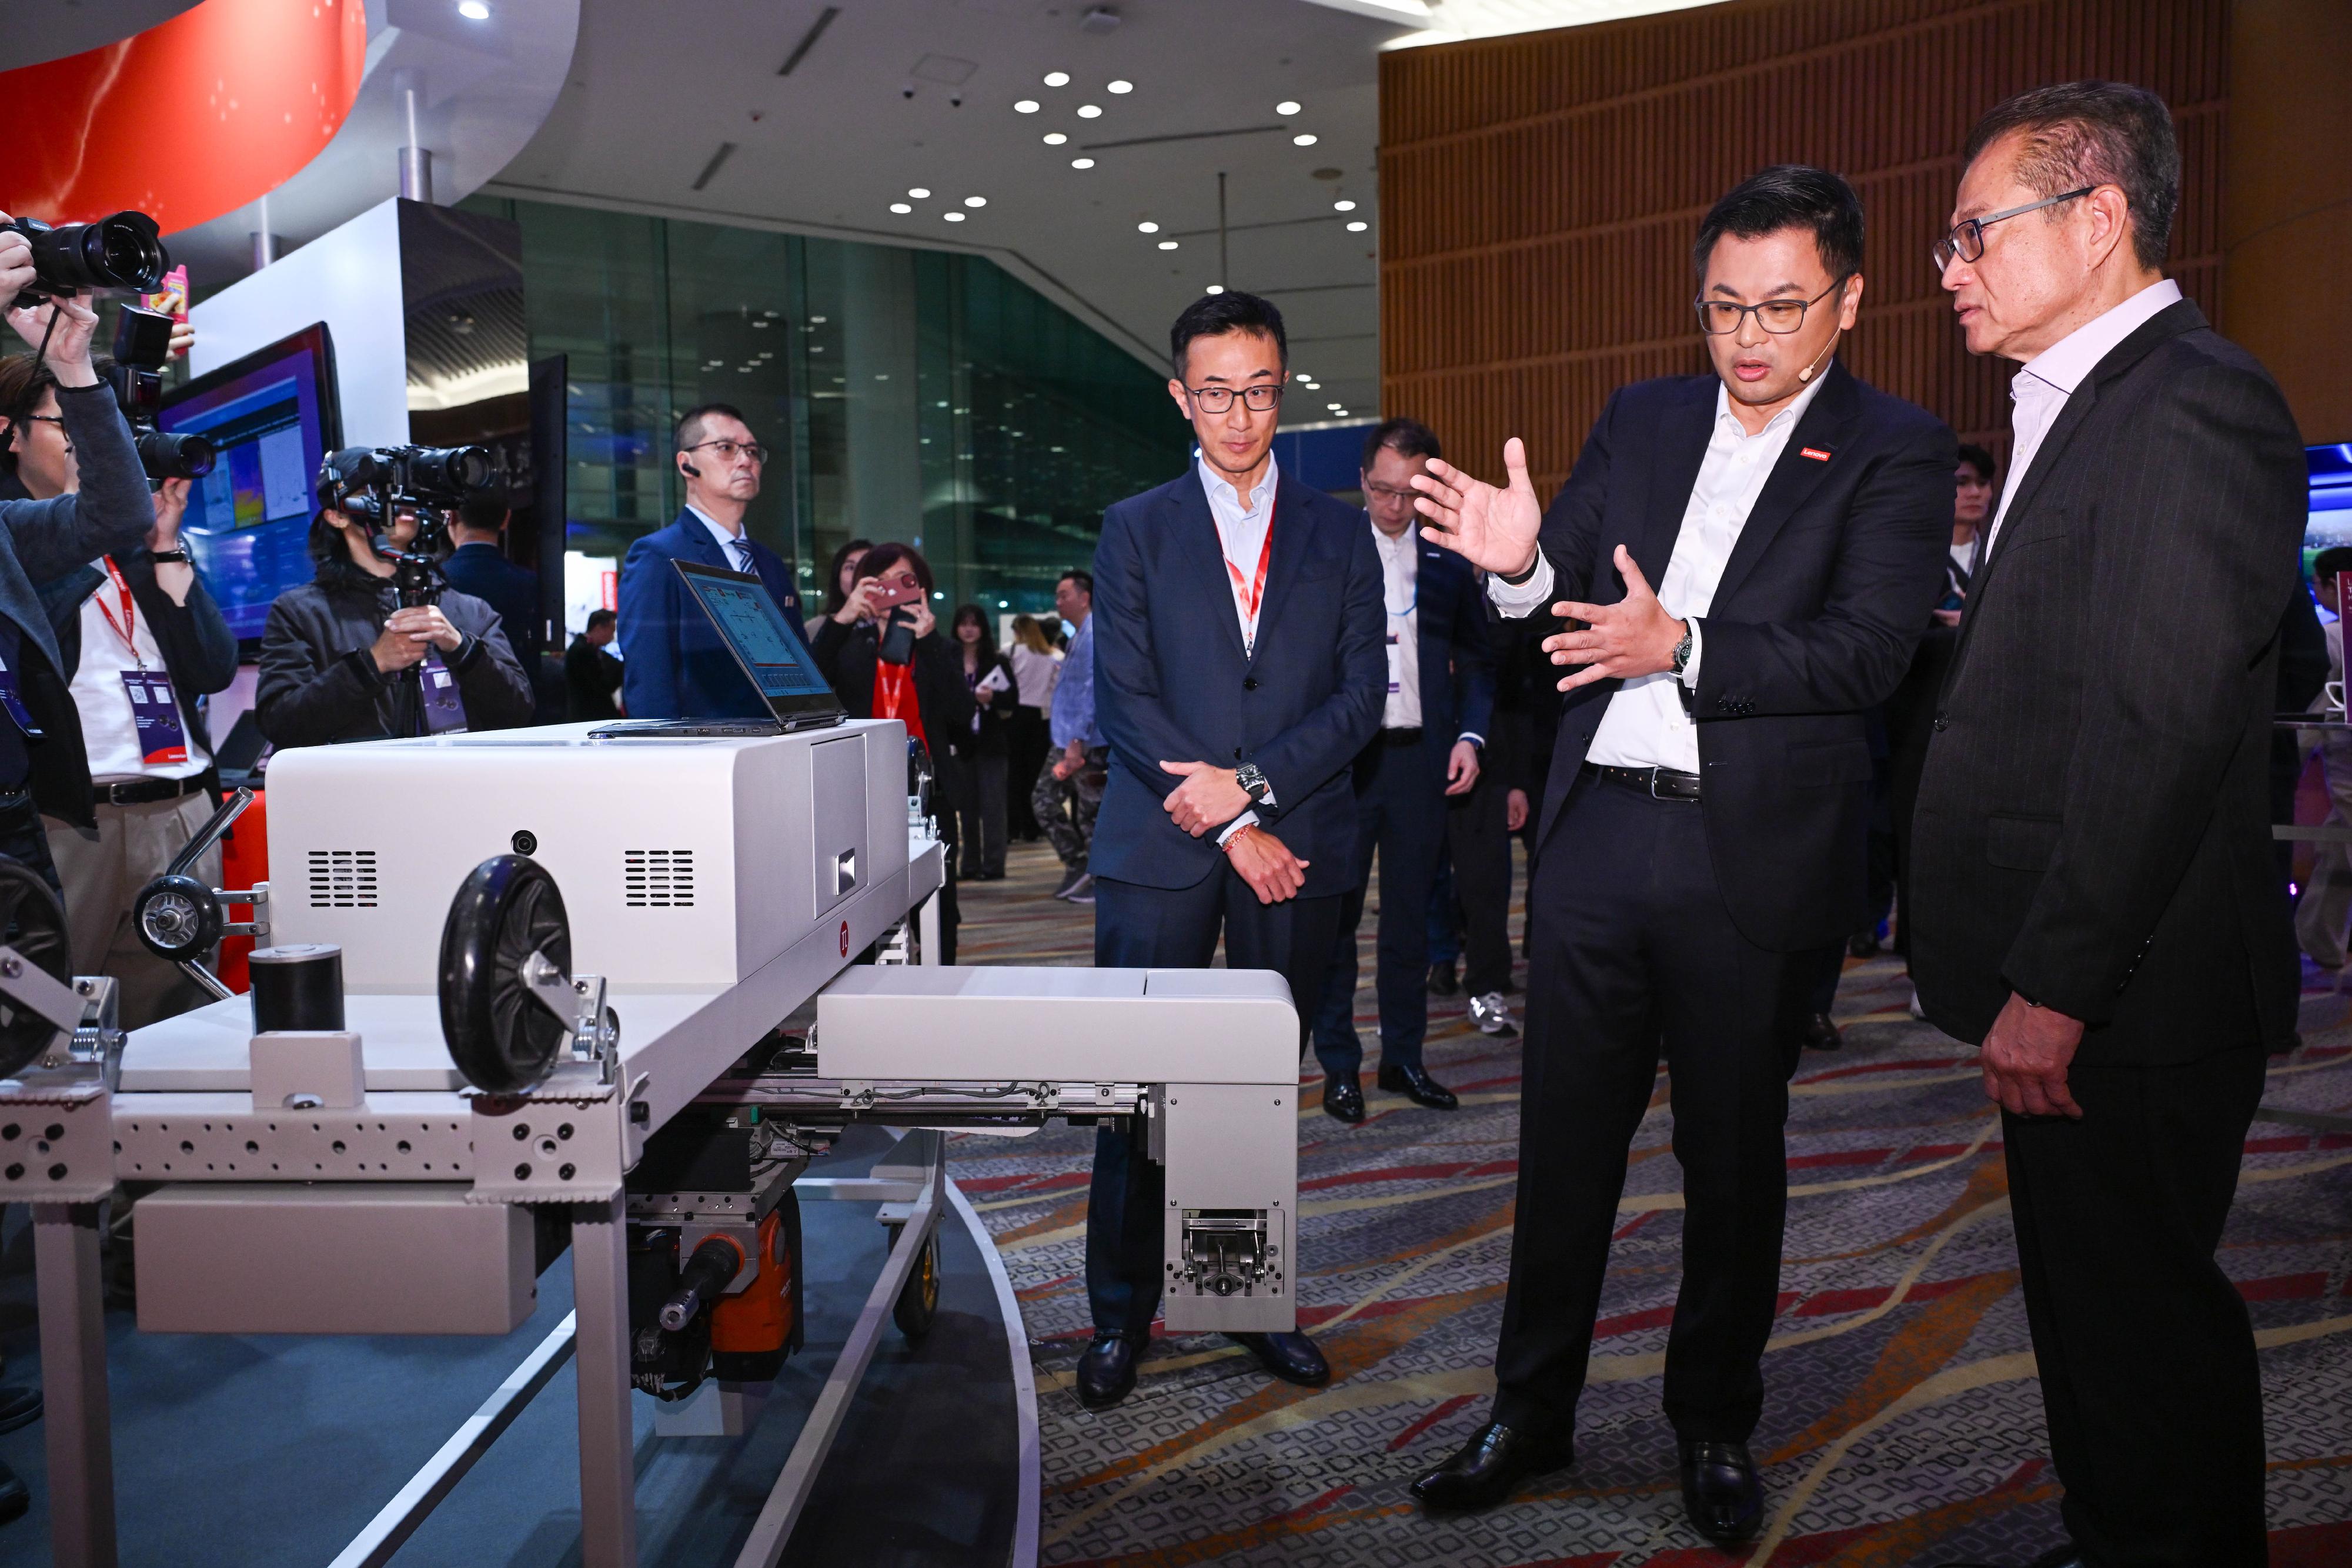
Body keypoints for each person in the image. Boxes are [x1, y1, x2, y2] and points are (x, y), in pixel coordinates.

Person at [1404, 166, 1953, 1546]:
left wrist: (1687, 648)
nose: (1747, 336)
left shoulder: (1894, 445)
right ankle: (1527, 1413)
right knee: (1562, 1152)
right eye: (1722, 307)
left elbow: (1871, 652)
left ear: (1848, 300)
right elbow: (1556, 589)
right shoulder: (1644, 418)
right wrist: (1521, 572)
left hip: (1747, 858)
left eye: (1779, 305)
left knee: (1732, 1158)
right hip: (1599, 843)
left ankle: (1711, 1421)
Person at [1909, 83, 2309, 1568]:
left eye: (1973, 230)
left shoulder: (2191, 399)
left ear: (2096, 219)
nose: (1949, 264)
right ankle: (2114, 1528)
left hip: (2126, 992)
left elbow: (2159, 724)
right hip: (2083, 977)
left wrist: (2057, 983)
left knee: (2142, 1320)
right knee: (2087, 1304)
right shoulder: (2078, 405)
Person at [1078, 289, 1384, 1412]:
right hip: (1163, 843)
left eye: (1258, 391)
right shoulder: (1137, 526)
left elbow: (1360, 699)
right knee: (1140, 1088)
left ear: (1282, 387)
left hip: (1297, 843)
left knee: (1254, 1087)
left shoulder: (1339, 528)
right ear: (1180, 396)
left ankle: (1241, 1300)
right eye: (1216, 393)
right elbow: (1126, 699)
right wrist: (1234, 820)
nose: (1239, 415)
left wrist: (1254, 797)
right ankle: (1119, 1312)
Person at [0, 230, 161, 1524]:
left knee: (20, 1088)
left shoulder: (11, 531)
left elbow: (114, 518)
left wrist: (83, 369)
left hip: (13, 832)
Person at [0, 353, 239, 1028]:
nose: (90, 446)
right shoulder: (15, 538)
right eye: (66, 425)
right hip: (70, 822)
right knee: (47, 1028)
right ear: (12, 435)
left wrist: (163, 550)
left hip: (183, 812)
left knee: (180, 1026)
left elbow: (214, 668)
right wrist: (94, 535)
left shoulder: (141, 545)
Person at [1309, 417, 1492, 1122]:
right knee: (1337, 922)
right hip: (1346, 767)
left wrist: (1471, 737)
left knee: (1410, 922)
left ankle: (1404, 1059)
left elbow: (1478, 659)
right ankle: (1339, 1067)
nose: (1392, 507)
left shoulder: (1449, 559)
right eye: (1380, 490)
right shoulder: (1327, 553)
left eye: (1407, 495)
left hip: (1422, 760)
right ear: (1361, 481)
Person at [256, 496, 534, 747]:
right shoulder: (300, 611)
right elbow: (281, 724)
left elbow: (518, 710)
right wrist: (372, 665)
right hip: (358, 796)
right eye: (375, 489)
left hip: (457, 791)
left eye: (403, 488)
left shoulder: (469, 609)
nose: (398, 498)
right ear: (337, 515)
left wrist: (462, 650)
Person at [810, 543, 974, 959]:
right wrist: (844, 618)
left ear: (921, 588)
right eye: (878, 583)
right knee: (861, 905)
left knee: (938, 906)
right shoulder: (849, 642)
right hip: (859, 797)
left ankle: (940, 991)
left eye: (903, 582)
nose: (891, 592)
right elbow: (806, 686)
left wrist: (931, 641)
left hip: (926, 794)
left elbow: (961, 712)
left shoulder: (938, 647)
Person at [619, 404, 808, 719]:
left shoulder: (770, 563)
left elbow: (800, 670)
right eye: (726, 448)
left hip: (779, 751)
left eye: (751, 451)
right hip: (702, 755)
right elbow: (649, 680)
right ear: (687, 464)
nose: (745, 460)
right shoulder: (658, 556)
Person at [1032, 571, 1102, 902]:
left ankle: (1095, 875)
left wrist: (1077, 742)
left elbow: (1093, 692)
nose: (1058, 602)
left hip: (1083, 741)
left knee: (1088, 813)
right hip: (1069, 740)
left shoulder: (1094, 634)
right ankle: (1081, 865)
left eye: (1064, 595)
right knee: (1047, 801)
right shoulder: (1079, 634)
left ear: (1084, 597)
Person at [440, 494, 544, 687]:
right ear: (506, 519)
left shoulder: (436, 581)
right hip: (519, 702)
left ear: (451, 516)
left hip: (451, 705)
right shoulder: (531, 584)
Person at [950, 603, 1013, 880]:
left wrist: (992, 699)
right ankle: (970, 864)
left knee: (994, 809)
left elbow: (1013, 700)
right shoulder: (949, 660)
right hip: (961, 745)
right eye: (964, 623)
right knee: (967, 809)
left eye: (974, 623)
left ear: (983, 628)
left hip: (991, 744)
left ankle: (994, 865)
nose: (969, 628)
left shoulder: (997, 660)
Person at [1004, 611, 1060, 841]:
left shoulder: (1010, 651)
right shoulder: (1054, 656)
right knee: (1034, 774)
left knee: (1014, 774)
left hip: (1016, 716)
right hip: (1041, 718)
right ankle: (1033, 826)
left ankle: (1013, 827)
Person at [564, 607, 624, 720]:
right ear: (599, 628)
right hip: (588, 717)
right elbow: (602, 686)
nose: (612, 637)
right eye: (611, 631)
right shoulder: (581, 651)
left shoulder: (593, 650)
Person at [809, 536, 873, 642]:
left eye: (867, 566)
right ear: (837, 577)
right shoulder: (817, 627)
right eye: (851, 568)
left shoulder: (895, 622)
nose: (859, 574)